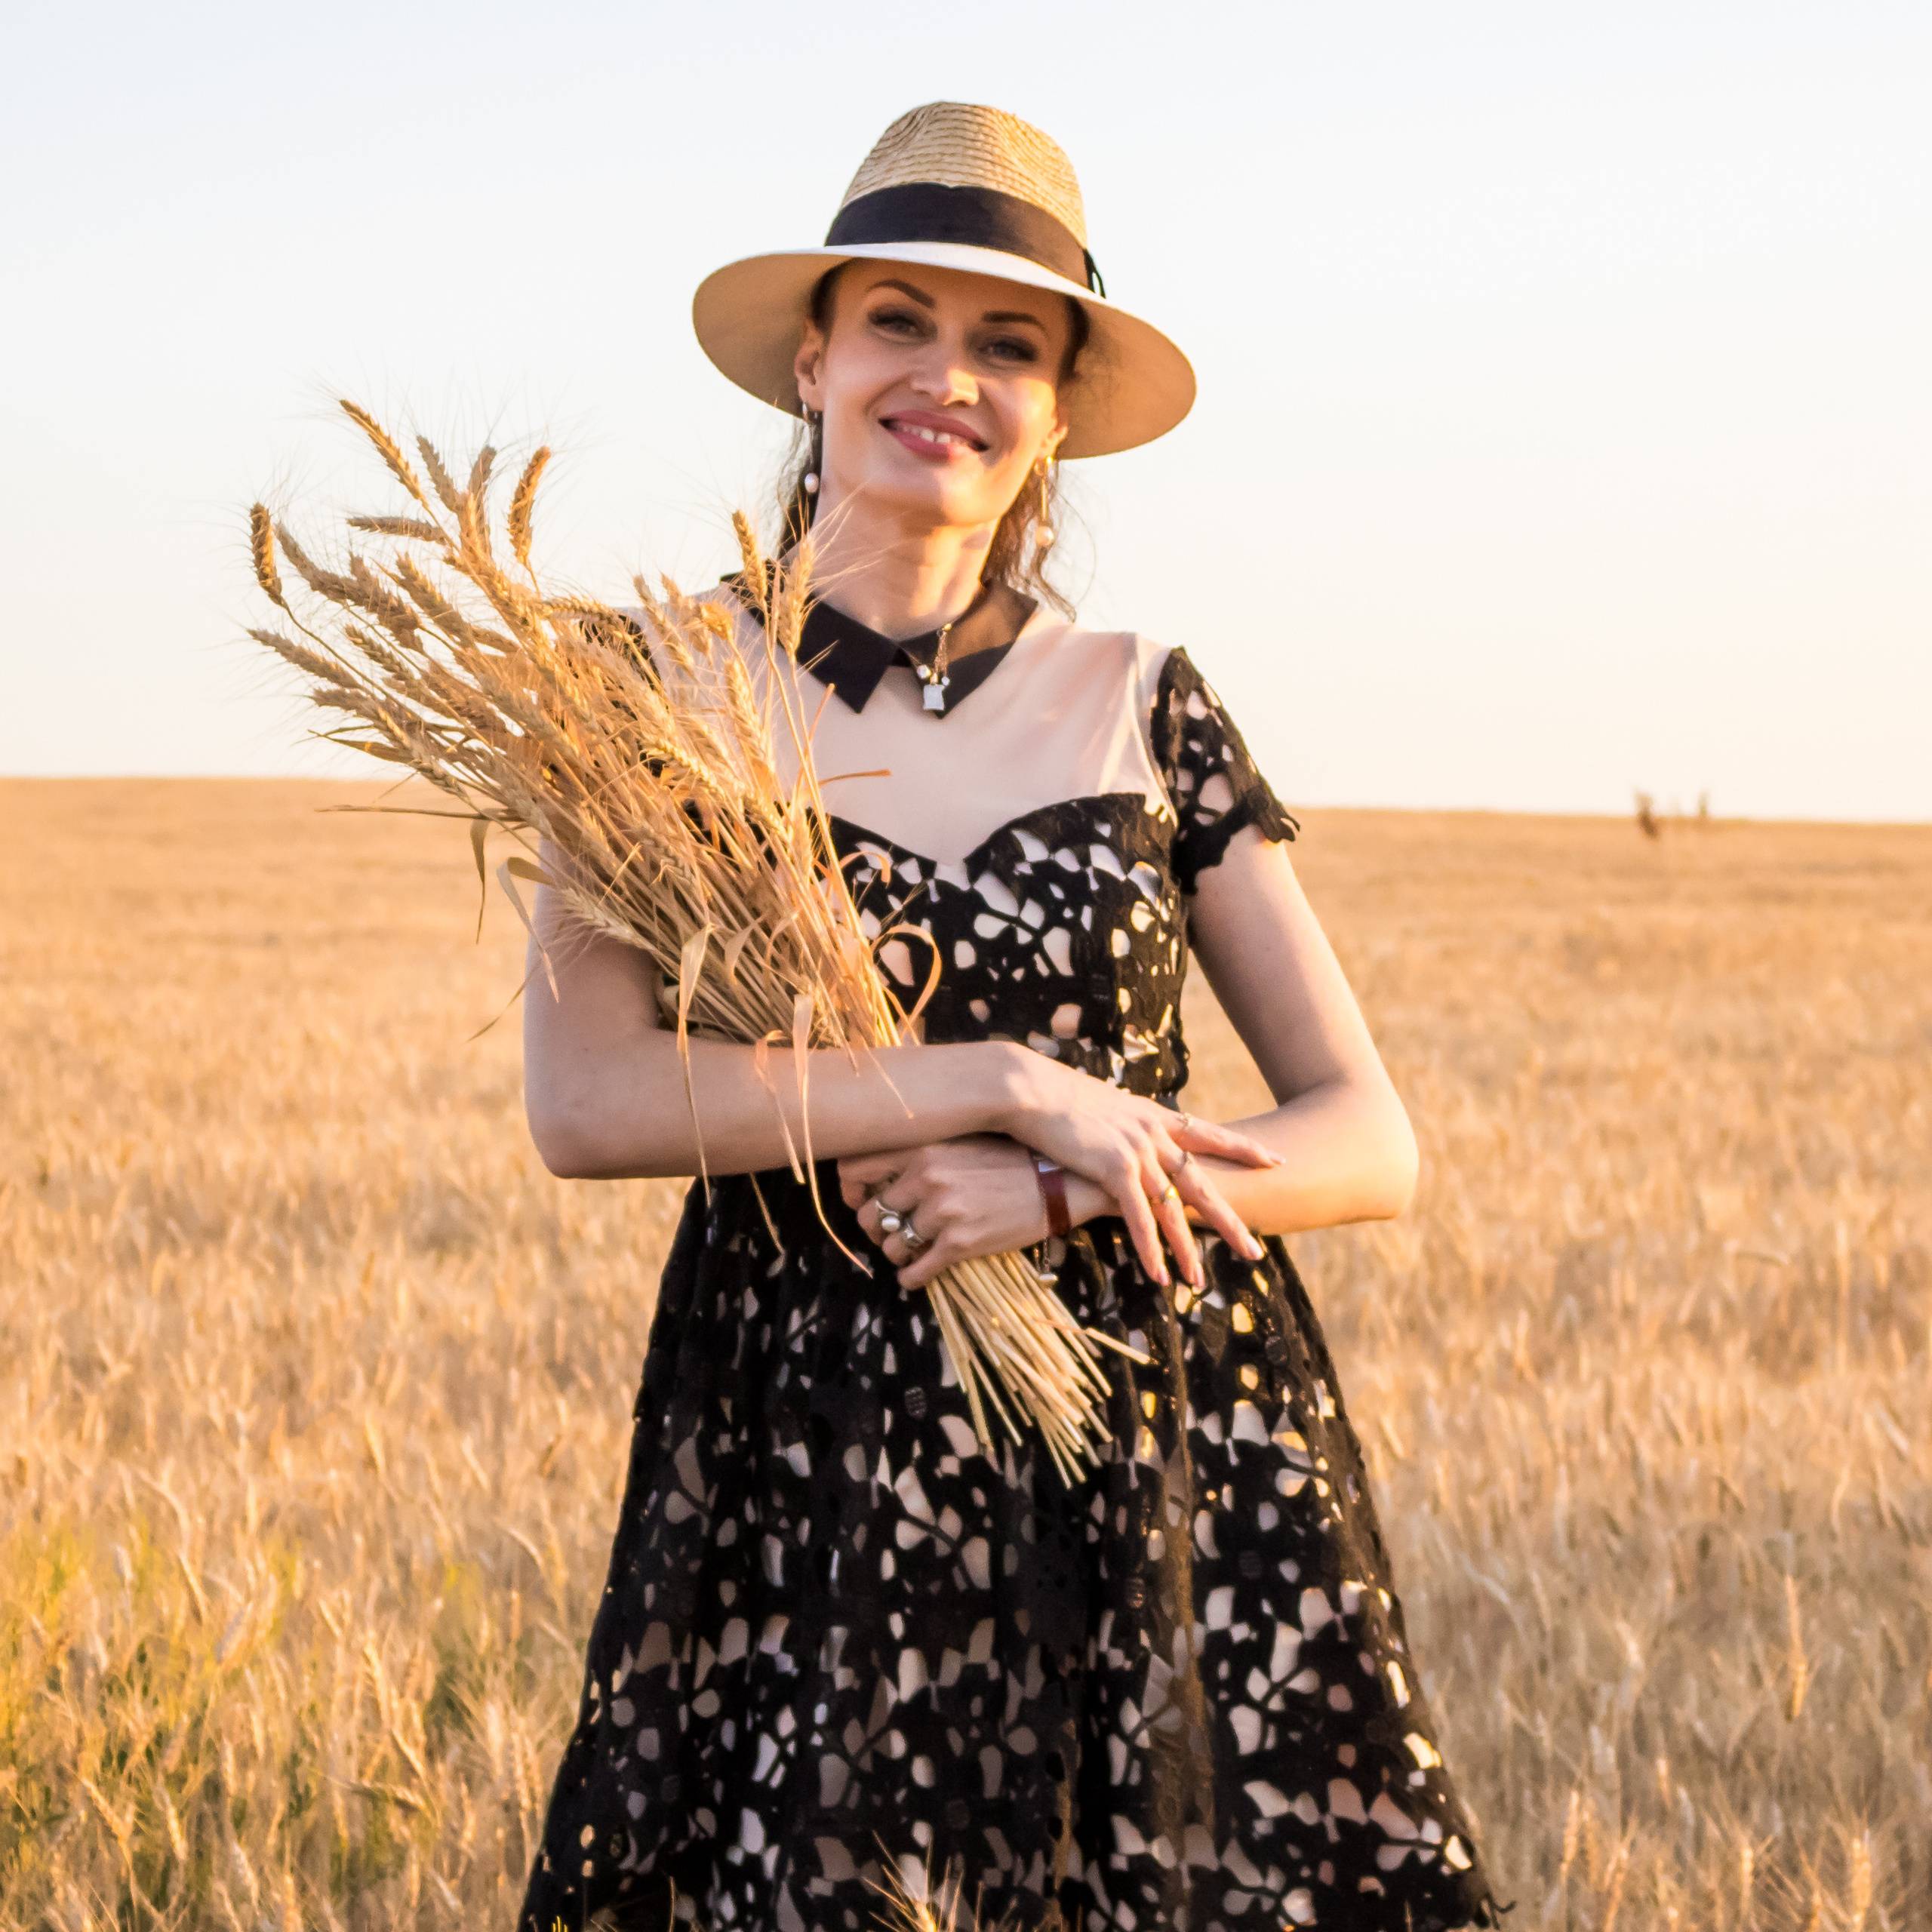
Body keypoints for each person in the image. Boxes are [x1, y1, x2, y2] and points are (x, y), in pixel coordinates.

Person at [519, 101, 1500, 1932]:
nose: (945, 377)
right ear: (812, 359)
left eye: (1007, 344)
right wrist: (1008, 1081)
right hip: (808, 1454)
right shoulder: (639, 693)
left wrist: (1044, 1189)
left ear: (1052, 410)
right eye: (899, 319)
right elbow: (587, 1101)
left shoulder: (1146, 700)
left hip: (1148, 1433)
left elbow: (1363, 1140)